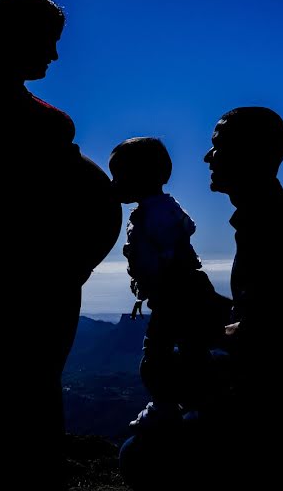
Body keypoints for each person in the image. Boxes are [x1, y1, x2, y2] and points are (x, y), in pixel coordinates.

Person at [0, 0, 121, 487]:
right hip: (31, 272)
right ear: (16, 37)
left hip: (37, 268)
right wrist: (64, 257)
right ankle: (26, 476)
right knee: (25, 378)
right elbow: (8, 211)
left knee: (25, 377)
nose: (55, 52)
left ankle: (19, 471)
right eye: (48, 38)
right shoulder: (1, 108)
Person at [204, 106, 283, 488]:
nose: (208, 156)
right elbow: (259, 312)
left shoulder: (270, 226)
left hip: (274, 409)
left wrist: (200, 325)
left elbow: (265, 334)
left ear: (251, 154)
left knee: (145, 455)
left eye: (218, 146)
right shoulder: (269, 215)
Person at [108, 137, 230, 430]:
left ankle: (168, 405)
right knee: (190, 350)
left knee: (158, 355)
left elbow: (172, 251)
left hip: (177, 295)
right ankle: (201, 404)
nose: (114, 183)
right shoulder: (159, 209)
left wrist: (161, 283)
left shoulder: (157, 214)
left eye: (119, 175)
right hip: (179, 292)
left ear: (142, 177)